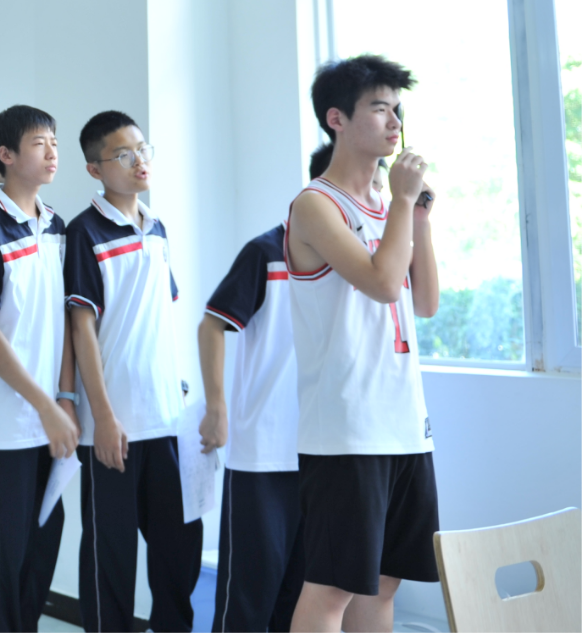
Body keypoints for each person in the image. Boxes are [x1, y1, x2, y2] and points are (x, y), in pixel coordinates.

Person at [285, 55, 439, 633]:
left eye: (397, 109)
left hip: (404, 422)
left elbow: (424, 302)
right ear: (337, 119)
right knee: (332, 588)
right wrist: (400, 201)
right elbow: (381, 284)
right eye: (379, 108)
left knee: (384, 581)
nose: (395, 122)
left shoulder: (389, 205)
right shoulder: (315, 204)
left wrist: (417, 217)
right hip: (347, 431)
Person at [65, 111, 200, 633]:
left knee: (178, 551)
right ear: (95, 169)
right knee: (111, 560)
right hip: (114, 426)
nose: (139, 161)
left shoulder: (156, 228)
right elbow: (82, 329)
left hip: (166, 419)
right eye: (124, 155)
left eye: (142, 149)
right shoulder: (85, 232)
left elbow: (159, 317)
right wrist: (101, 417)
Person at [198, 146, 337, 633]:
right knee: (249, 598)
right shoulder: (266, 252)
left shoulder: (357, 260)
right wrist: (217, 408)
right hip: (264, 456)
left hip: (326, 453)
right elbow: (211, 325)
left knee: (303, 596)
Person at [0, 104, 77, 633]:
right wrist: (46, 405)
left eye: (54, 142)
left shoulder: (56, 226)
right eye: (38, 143)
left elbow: (67, 321)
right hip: (3, 428)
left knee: (38, 555)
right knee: (0, 567)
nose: (52, 152)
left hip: (49, 420)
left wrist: (65, 398)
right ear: (6, 154)